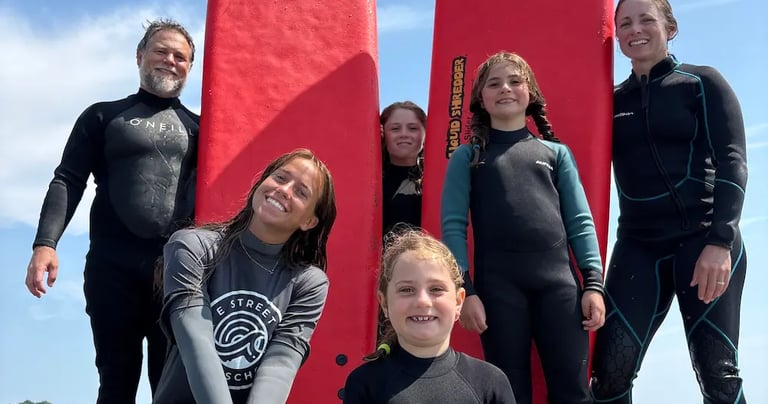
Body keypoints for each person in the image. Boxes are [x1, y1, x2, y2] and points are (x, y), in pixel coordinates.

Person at [24, 19, 198, 403]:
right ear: (139, 56)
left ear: (190, 67)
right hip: (111, 268)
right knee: (116, 379)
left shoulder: (201, 129)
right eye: (161, 51)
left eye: (181, 57)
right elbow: (67, 179)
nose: (170, 61)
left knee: (170, 386)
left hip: (173, 273)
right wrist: (45, 244)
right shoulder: (102, 117)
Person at [590, 1, 748, 403]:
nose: (634, 29)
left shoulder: (701, 83)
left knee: (718, 375)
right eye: (624, 23)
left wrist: (720, 241)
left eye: (646, 19)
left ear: (670, 27)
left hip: (704, 240)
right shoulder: (609, 102)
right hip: (639, 246)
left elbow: (733, 161)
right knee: (609, 374)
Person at [440, 51, 606, 404]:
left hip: (560, 288)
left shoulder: (555, 154)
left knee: (574, 392)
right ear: (480, 98)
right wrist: (464, 292)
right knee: (509, 395)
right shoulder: (467, 157)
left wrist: (593, 285)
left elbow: (580, 221)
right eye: (494, 83)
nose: (505, 89)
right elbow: (453, 227)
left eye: (515, 81)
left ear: (530, 93)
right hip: (498, 291)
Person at [152, 148, 337, 404]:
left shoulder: (308, 283)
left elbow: (280, 364)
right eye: (281, 178)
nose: (284, 190)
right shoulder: (191, 246)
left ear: (309, 221)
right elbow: (197, 339)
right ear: (262, 182)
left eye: (301, 192)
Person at [343, 229, 516, 404]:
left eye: (436, 289)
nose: (423, 301)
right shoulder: (364, 385)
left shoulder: (490, 383)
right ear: (384, 303)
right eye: (407, 290)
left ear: (458, 302)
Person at [381, 101, 426, 236]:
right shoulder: (370, 181)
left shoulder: (439, 179)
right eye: (395, 129)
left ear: (426, 134)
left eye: (413, 128)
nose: (404, 134)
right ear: (383, 133)